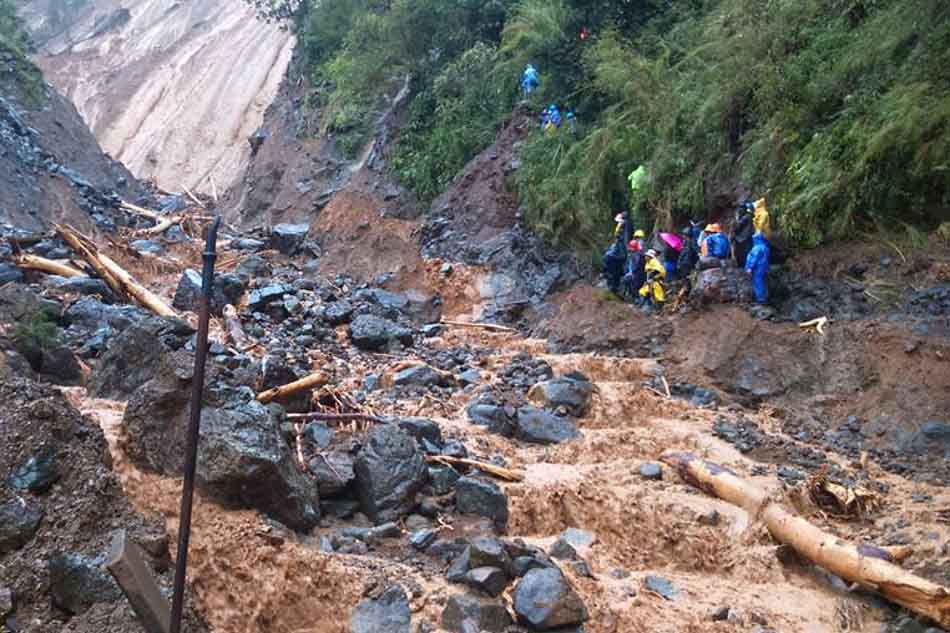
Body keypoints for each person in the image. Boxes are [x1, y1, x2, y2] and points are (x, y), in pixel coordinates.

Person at [745, 232, 771, 304]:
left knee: (758, 282)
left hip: (757, 268)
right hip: (764, 268)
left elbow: (754, 258)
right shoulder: (766, 247)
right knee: (763, 282)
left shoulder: (757, 248)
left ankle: (760, 299)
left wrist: (750, 268)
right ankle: (765, 298)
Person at [732, 202, 755, 268]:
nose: (740, 210)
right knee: (743, 254)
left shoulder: (746, 217)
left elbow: (737, 226)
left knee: (742, 255)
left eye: (741, 208)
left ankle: (743, 267)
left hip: (743, 239)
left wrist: (737, 219)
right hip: (745, 238)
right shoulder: (749, 216)